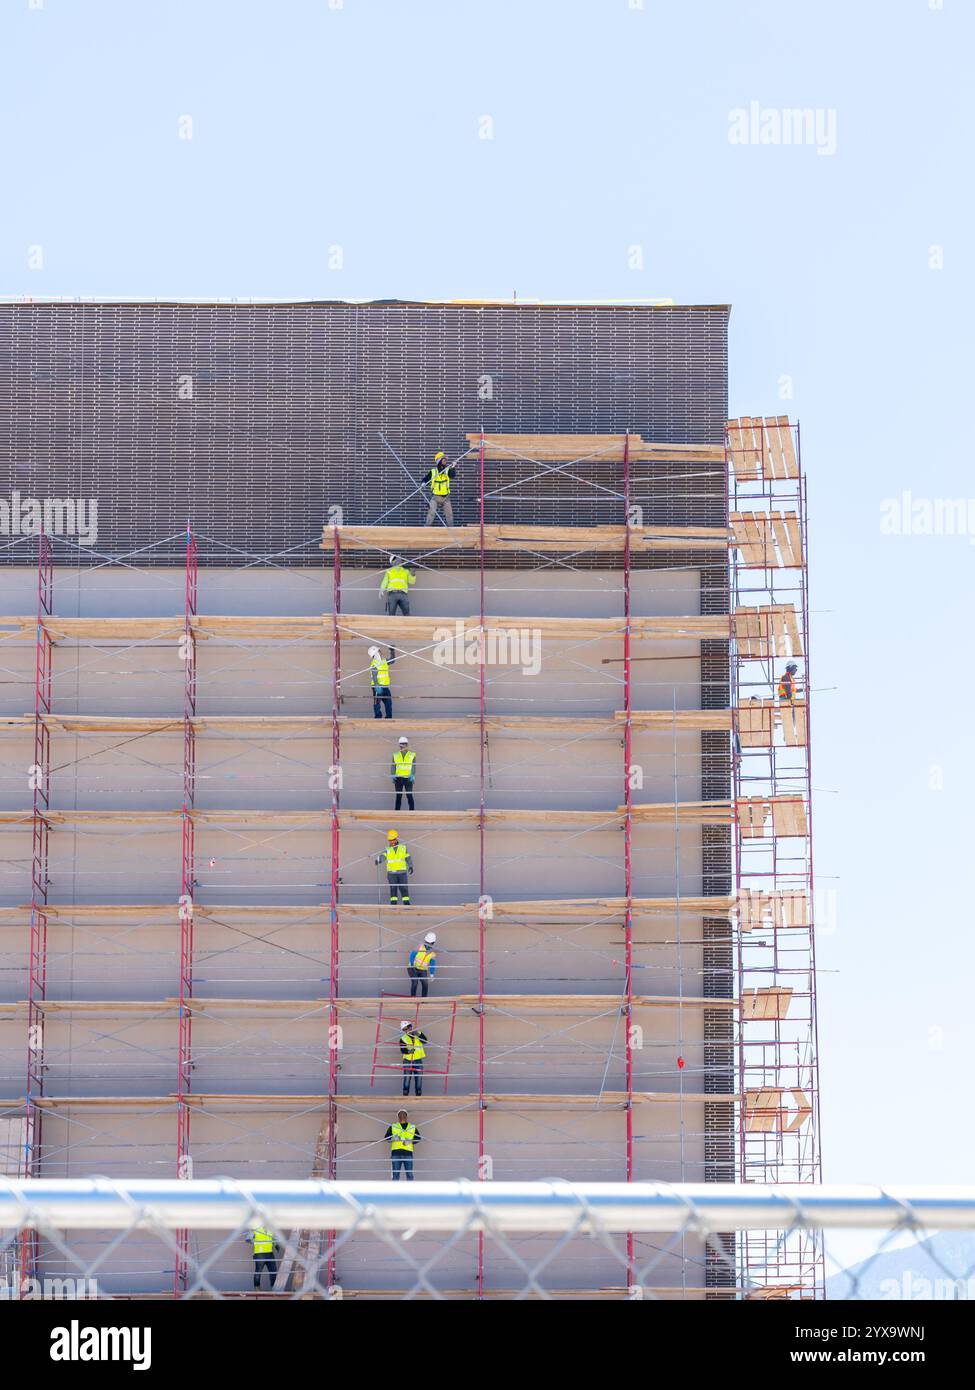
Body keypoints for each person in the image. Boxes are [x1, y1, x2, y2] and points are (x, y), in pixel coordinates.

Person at [376, 829, 412, 905]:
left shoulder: (403, 848)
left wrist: (410, 866)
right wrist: (378, 860)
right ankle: (393, 903)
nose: (391, 841)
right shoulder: (388, 849)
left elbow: (408, 857)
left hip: (402, 872)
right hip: (391, 873)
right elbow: (383, 856)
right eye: (390, 840)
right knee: (393, 888)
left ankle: (406, 903)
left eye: (392, 840)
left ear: (396, 839)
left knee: (404, 888)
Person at [385, 1109, 421, 1180]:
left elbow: (418, 1138)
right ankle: (396, 1190)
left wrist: (409, 1141)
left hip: (408, 1153)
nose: (402, 1116)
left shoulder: (412, 1127)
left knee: (409, 1174)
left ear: (406, 1116)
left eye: (404, 1114)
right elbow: (387, 1138)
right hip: (396, 1153)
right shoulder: (393, 1126)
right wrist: (393, 1137)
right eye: (400, 1114)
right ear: (398, 1117)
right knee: (395, 1175)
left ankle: (410, 1190)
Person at [423, 450, 457, 526]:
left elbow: (452, 476)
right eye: (444, 459)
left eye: (446, 459)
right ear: (439, 460)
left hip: (446, 497)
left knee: (449, 515)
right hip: (435, 497)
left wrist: (453, 467)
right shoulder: (433, 472)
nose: (446, 461)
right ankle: (426, 529)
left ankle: (452, 530)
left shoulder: (448, 470)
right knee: (431, 513)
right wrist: (423, 483)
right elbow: (426, 479)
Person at [399, 1020, 427, 1097]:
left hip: (418, 1060)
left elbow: (425, 1041)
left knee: (418, 1079)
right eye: (404, 1029)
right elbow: (402, 1049)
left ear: (410, 1027)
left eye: (406, 1028)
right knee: (407, 1079)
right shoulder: (403, 1038)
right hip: (407, 1061)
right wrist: (408, 1051)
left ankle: (418, 1095)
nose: (406, 1031)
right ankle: (405, 1095)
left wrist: (419, 1035)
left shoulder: (418, 1034)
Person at [248, 1225, 279, 1291]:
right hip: (260, 1253)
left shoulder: (270, 1229)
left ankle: (273, 1288)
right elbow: (248, 1239)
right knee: (258, 1271)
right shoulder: (255, 1228)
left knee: (273, 1271)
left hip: (270, 1253)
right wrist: (255, 1242)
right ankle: (257, 1288)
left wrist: (276, 1245)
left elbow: (272, 1238)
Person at [391, 735, 416, 810]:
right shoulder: (395, 755)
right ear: (399, 745)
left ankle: (412, 812)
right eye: (401, 743)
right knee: (398, 796)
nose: (403, 745)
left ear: (407, 744)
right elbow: (393, 766)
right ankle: (396, 813)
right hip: (398, 778)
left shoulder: (412, 754)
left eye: (404, 743)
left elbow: (414, 766)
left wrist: (413, 776)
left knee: (409, 796)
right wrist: (393, 776)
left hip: (408, 778)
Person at [408, 931, 437, 996]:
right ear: (425, 941)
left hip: (423, 969)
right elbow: (411, 956)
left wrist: (432, 974)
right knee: (415, 982)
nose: (428, 944)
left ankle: (423, 1001)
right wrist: (413, 965)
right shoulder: (419, 947)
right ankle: (413, 999)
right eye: (427, 943)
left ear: (433, 943)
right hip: (413, 967)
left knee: (425, 984)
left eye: (430, 943)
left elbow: (432, 964)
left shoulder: (433, 953)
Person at [369, 644, 392, 719]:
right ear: (376, 653)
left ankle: (389, 717)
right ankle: (378, 716)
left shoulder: (384, 661)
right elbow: (374, 675)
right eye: (379, 651)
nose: (380, 652)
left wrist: (392, 651)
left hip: (385, 686)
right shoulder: (374, 664)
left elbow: (392, 660)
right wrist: (376, 685)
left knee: (388, 702)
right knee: (377, 702)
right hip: (377, 686)